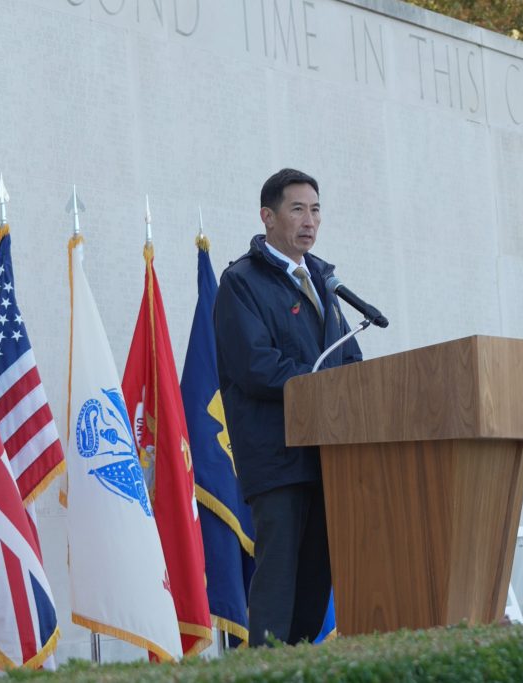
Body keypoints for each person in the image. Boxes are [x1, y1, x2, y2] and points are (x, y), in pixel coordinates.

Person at [214, 168, 363, 646]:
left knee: (315, 585)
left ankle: (299, 667)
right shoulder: (241, 282)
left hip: (326, 456)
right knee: (278, 586)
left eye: (315, 210)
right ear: (268, 216)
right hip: (277, 458)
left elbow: (349, 359)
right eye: (297, 209)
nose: (309, 220)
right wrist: (323, 385)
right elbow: (256, 366)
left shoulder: (324, 281)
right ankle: (266, 669)